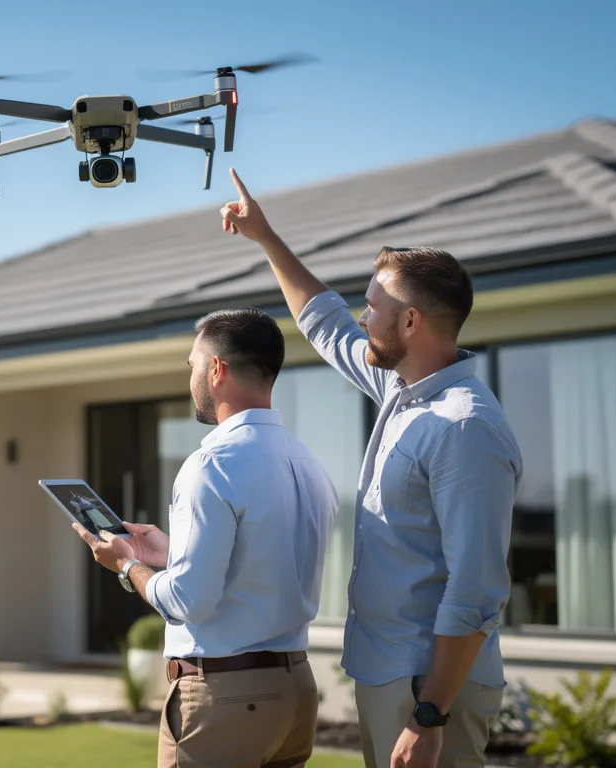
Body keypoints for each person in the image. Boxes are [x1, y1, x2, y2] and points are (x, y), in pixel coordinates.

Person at [217, 168, 522, 768]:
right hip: (389, 674)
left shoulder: (465, 427)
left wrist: (430, 714)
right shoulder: (401, 390)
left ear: (410, 322)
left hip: (428, 690)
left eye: (373, 306)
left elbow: (476, 589)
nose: (362, 317)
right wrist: (266, 238)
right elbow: (324, 322)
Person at [73, 306, 339, 768]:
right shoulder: (309, 462)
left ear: (216, 369)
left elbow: (189, 601)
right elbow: (264, 560)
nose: (191, 377)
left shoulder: (212, 464)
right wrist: (172, 551)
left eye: (193, 364)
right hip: (295, 690)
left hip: (225, 697)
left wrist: (127, 566)